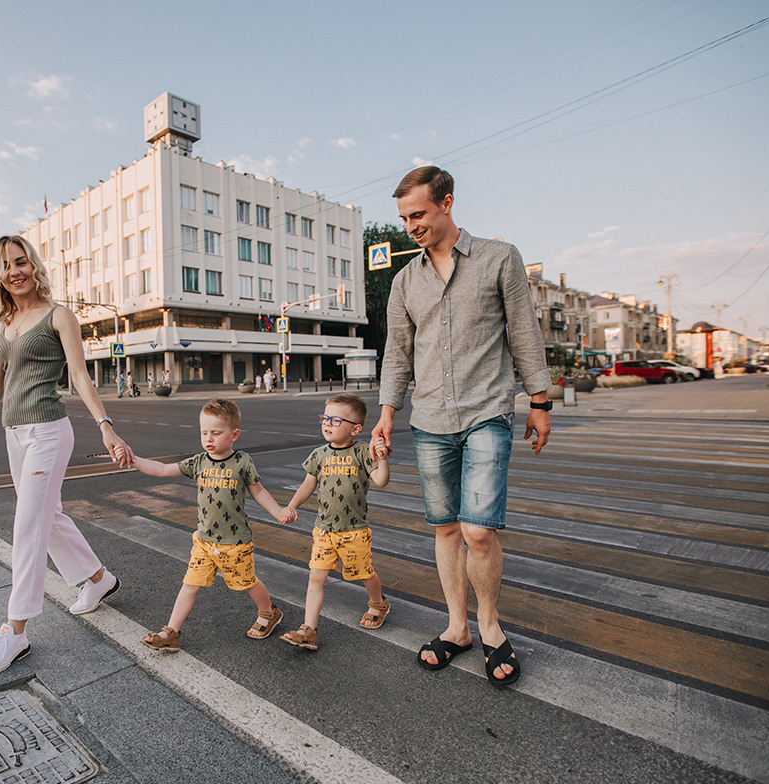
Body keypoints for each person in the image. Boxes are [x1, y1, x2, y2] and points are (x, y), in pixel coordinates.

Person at [370, 166, 551, 687]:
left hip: (487, 411)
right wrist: (386, 415)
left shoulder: (499, 258)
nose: (411, 226)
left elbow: (524, 334)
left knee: (478, 528)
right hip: (429, 419)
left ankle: (490, 627)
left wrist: (540, 403)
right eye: (404, 218)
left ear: (447, 203)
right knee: (446, 527)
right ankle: (457, 627)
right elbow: (397, 354)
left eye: (419, 214)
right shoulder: (405, 280)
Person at [0, 234, 132, 677]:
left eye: (21, 262)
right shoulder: (6, 325)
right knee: (47, 516)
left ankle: (15, 632)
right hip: (15, 434)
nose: (15, 271)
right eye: (5, 266)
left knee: (28, 525)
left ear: (33, 266)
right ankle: (97, 580)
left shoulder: (58, 316)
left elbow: (78, 373)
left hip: (50, 432)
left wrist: (106, 426)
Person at [126, 399, 287, 652]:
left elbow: (258, 491)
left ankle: (269, 613)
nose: (208, 438)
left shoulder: (242, 461)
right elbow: (164, 469)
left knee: (248, 583)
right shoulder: (199, 462)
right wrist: (134, 461)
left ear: (234, 435)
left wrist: (278, 511)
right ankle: (171, 632)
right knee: (190, 584)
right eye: (203, 432)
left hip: (235, 542)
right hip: (203, 541)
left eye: (215, 432)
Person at [278, 393, 391, 651]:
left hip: (355, 531)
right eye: (325, 417)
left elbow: (381, 480)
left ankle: (378, 603)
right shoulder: (318, 455)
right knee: (316, 577)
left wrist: (382, 457)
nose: (327, 423)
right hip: (324, 530)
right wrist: (291, 506)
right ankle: (308, 629)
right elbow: (308, 485)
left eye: (335, 420)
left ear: (356, 429)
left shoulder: (363, 451)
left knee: (364, 574)